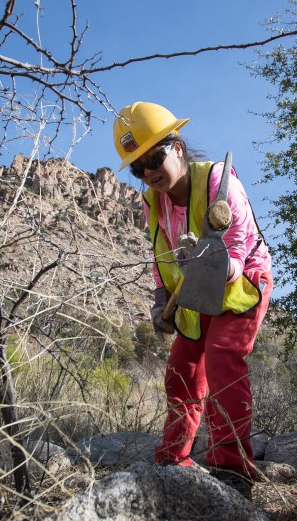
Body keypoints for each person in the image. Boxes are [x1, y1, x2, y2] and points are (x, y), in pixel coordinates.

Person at [113, 101, 273, 500]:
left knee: (221, 359)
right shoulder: (152, 202)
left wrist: (216, 266)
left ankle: (232, 470)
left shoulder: (218, 180)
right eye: (137, 168)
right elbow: (160, 255)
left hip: (241, 282)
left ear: (178, 148)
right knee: (182, 369)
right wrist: (160, 301)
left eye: (154, 158)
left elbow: (238, 248)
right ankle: (173, 460)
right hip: (192, 291)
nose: (148, 173)